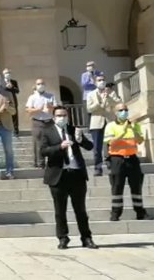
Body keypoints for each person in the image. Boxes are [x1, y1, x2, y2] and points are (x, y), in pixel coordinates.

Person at [40, 106, 98, 250]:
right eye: (59, 115)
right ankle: (63, 238)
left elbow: (90, 146)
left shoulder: (74, 130)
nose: (62, 118)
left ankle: (86, 238)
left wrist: (80, 139)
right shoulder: (47, 131)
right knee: (60, 210)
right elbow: (43, 151)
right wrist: (59, 147)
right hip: (58, 175)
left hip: (76, 173)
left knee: (81, 210)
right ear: (54, 118)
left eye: (64, 115)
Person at [104, 103, 152, 221]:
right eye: (121, 110)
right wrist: (123, 131)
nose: (124, 112)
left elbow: (140, 141)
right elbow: (111, 142)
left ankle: (140, 212)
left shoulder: (134, 125)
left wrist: (133, 129)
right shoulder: (111, 126)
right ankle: (115, 213)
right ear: (116, 113)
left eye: (126, 110)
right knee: (117, 186)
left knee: (136, 186)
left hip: (132, 158)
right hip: (117, 159)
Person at [86, 74, 121, 176]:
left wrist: (109, 97)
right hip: (96, 123)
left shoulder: (112, 93)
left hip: (110, 122)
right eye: (99, 80)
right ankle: (98, 167)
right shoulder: (91, 94)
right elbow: (89, 108)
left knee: (111, 144)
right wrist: (99, 103)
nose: (101, 81)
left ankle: (111, 164)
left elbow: (118, 104)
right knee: (97, 147)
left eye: (103, 80)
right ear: (96, 83)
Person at [25, 78, 58, 169]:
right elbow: (28, 110)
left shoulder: (51, 95)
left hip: (49, 122)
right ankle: (40, 163)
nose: (41, 85)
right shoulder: (32, 97)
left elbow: (56, 107)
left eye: (42, 84)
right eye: (38, 84)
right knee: (39, 143)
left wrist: (50, 107)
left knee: (52, 142)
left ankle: (52, 162)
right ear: (36, 86)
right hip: (38, 122)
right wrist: (38, 109)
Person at [3, 68, 20, 136]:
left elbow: (17, 91)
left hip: (13, 100)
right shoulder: (1, 81)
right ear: (3, 74)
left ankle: (16, 130)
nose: (8, 74)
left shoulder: (14, 82)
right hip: (4, 100)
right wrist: (6, 87)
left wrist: (12, 87)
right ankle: (6, 129)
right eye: (6, 73)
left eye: (9, 73)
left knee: (14, 115)